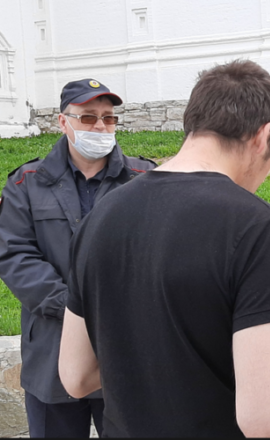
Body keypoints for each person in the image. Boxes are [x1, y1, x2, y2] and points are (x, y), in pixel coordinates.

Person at [58, 60, 270, 438]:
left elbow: (76, 376)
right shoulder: (258, 228)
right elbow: (264, 418)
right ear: (264, 135)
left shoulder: (100, 215)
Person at [0, 79, 156, 437]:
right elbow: (15, 256)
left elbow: (158, 251)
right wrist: (73, 308)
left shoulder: (144, 179)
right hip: (51, 353)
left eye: (108, 118)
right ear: (62, 121)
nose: (100, 127)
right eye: (88, 117)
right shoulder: (26, 183)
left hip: (125, 351)